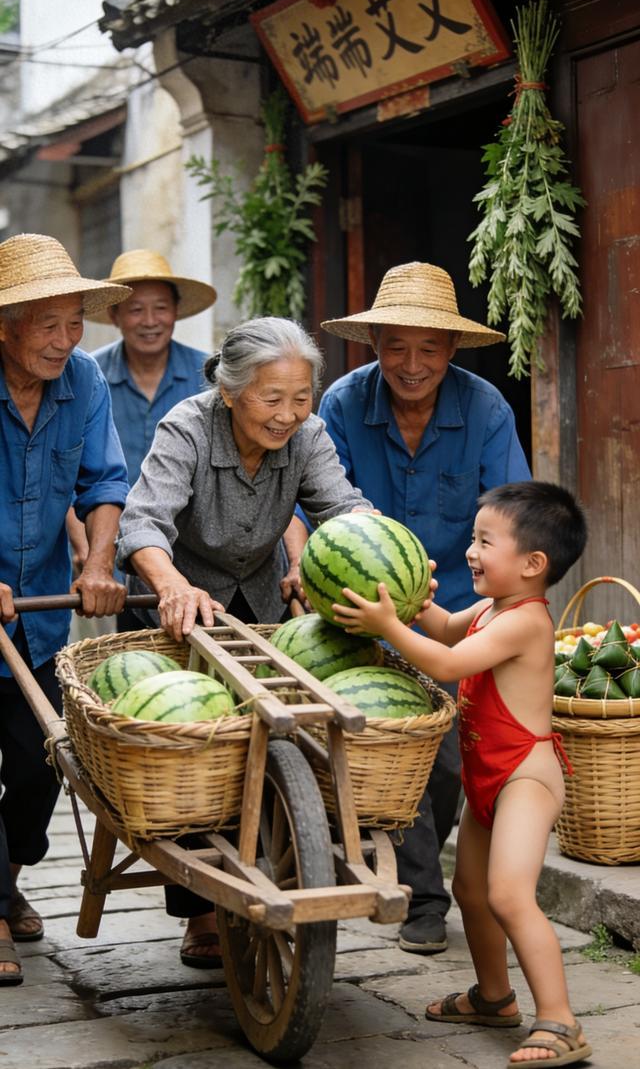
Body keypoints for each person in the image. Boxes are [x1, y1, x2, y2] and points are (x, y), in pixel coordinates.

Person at [285, 261, 531, 954]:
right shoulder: (341, 404)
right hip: (358, 608)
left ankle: (417, 870)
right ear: (374, 344)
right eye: (396, 346)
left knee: (448, 763)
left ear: (451, 349)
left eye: (428, 348)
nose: (412, 364)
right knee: (399, 753)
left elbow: (511, 515)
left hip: (453, 614)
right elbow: (302, 497)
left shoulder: (484, 409)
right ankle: (423, 897)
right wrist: (300, 564)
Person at [116, 315, 374, 967]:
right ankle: (200, 911)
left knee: (265, 735)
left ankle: (273, 857)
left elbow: (344, 506)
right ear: (230, 392)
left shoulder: (307, 434)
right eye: (272, 397)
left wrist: (372, 551)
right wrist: (172, 584)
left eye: (301, 397)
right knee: (192, 745)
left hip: (258, 601)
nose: (288, 414)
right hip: (177, 602)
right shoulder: (187, 426)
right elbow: (142, 521)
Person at [332, 481, 592, 1068]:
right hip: (487, 777)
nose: (470, 551)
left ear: (532, 564)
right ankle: (494, 997)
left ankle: (561, 1020)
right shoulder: (493, 607)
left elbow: (448, 663)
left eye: (485, 542)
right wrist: (416, 606)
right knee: (471, 892)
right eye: (474, 539)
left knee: (508, 895)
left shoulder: (526, 620)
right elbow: (449, 630)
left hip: (525, 777)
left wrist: (387, 626)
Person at [0, 233, 131, 985]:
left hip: (41, 615)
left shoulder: (83, 381)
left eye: (75, 322)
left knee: (39, 766)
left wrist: (101, 563)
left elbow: (104, 481)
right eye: (47, 324)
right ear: (5, 327)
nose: (65, 340)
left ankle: (8, 879)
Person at [68, 249, 217, 632]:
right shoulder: (85, 375)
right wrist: (89, 550)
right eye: (135, 310)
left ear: (176, 312)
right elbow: (66, 470)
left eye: (160, 308)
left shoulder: (211, 377)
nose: (149, 321)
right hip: (103, 555)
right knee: (113, 652)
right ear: (115, 315)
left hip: (190, 552)